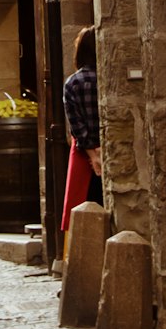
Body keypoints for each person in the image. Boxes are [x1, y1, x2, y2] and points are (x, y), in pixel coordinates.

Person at [61, 25, 102, 232]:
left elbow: (76, 124)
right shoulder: (106, 78)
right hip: (108, 150)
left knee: (83, 211)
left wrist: (92, 154)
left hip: (85, 155)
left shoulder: (72, 83)